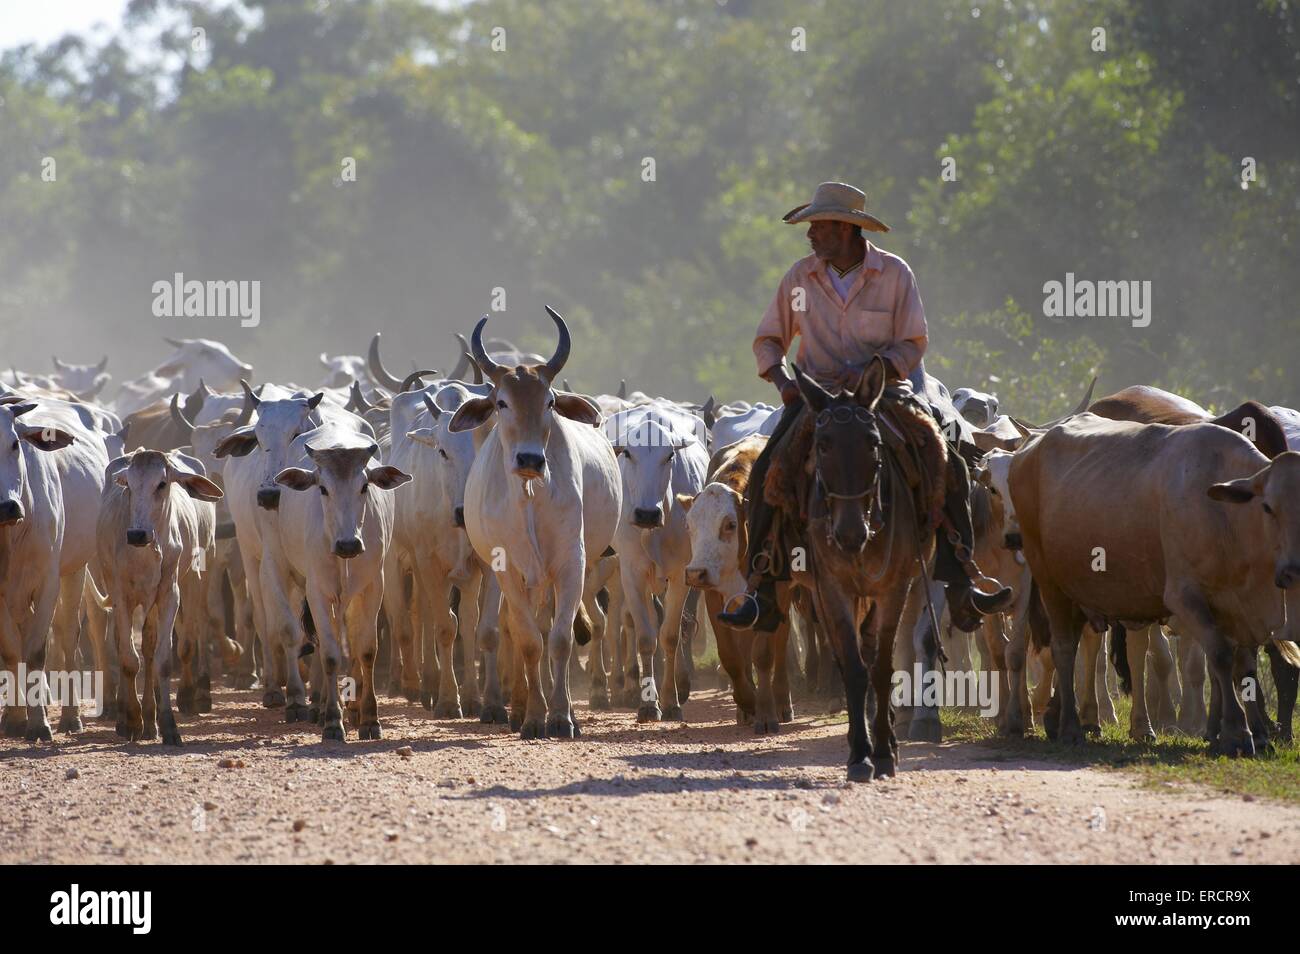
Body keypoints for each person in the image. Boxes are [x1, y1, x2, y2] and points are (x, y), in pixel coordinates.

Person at [718, 181, 1013, 632]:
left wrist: (878, 369)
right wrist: (783, 382)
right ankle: (762, 588)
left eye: (819, 226)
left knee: (950, 465)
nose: (810, 234)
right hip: (816, 397)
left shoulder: (894, 274)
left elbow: (912, 341)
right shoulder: (799, 278)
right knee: (767, 474)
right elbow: (769, 340)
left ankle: (960, 582)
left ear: (845, 229)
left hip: (882, 393)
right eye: (811, 226)